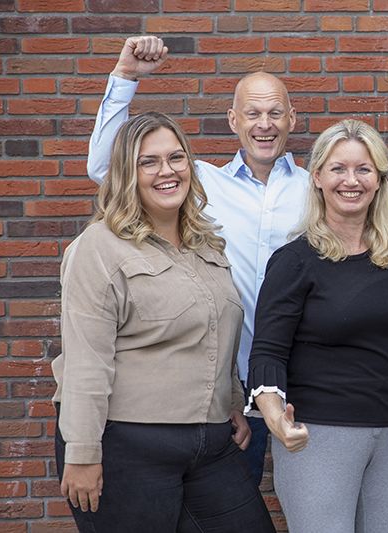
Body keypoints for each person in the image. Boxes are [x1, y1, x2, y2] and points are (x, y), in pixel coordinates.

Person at [85, 36, 309, 486]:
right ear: (233, 120)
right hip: (219, 391)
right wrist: (126, 77)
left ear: (291, 119)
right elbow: (105, 168)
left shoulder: (316, 188)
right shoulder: (200, 184)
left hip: (297, 387)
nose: (264, 125)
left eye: (274, 113)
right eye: (252, 113)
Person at [53, 112, 275, 532]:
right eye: (148, 161)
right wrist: (82, 452)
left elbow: (217, 329)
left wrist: (232, 400)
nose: (166, 171)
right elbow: (86, 360)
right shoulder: (98, 248)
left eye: (176, 158)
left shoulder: (207, 245)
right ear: (125, 173)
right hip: (127, 445)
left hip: (210, 444)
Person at [248, 119, 388, 533]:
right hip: (319, 436)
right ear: (316, 177)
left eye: (363, 169)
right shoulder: (294, 260)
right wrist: (276, 419)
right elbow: (267, 352)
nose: (350, 181)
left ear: (380, 180)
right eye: (338, 169)